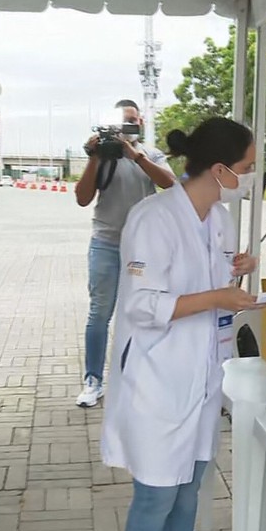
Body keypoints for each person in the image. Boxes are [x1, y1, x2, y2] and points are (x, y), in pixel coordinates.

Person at [100, 117, 261, 531]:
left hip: (203, 378)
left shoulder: (221, 220)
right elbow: (141, 304)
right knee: (155, 497)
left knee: (188, 491)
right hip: (157, 379)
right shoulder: (153, 219)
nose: (248, 179)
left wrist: (236, 269)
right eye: (245, 168)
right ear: (219, 170)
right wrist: (215, 297)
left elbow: (212, 275)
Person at [74, 99, 176, 408]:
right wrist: (95, 156)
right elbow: (82, 198)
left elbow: (170, 185)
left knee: (142, 313)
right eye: (122, 123)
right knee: (99, 314)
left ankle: (138, 378)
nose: (128, 128)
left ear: (141, 124)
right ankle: (93, 380)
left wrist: (137, 157)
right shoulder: (104, 155)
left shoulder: (151, 154)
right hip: (105, 243)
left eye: (132, 121)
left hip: (141, 248)